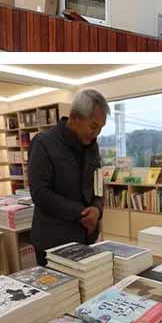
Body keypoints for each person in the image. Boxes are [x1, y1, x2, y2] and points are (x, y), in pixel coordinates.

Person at [28, 89, 108, 266]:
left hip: (86, 237)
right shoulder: (44, 143)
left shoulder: (92, 146)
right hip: (53, 242)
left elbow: (98, 185)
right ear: (75, 117)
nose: (97, 133)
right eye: (94, 126)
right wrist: (81, 213)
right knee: (61, 294)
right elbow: (40, 193)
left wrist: (97, 209)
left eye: (101, 128)